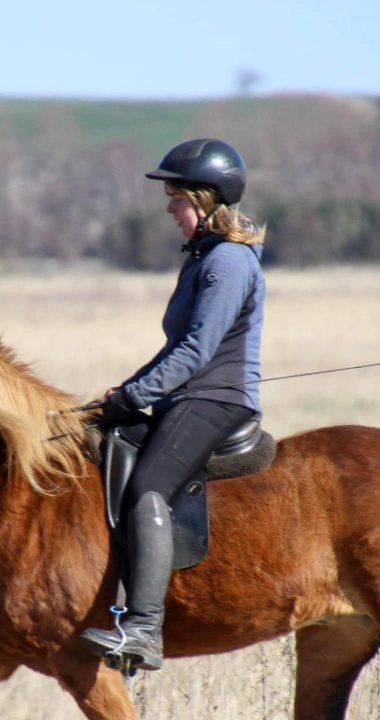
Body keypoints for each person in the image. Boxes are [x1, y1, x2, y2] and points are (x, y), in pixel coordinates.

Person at [80, 137, 267, 672]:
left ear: (206, 200)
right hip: (187, 395)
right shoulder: (204, 259)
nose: (169, 208)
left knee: (147, 487)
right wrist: (121, 395)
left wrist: (139, 395)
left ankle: (142, 629)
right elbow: (172, 350)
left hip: (216, 400)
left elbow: (196, 351)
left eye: (177, 197)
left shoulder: (228, 262)